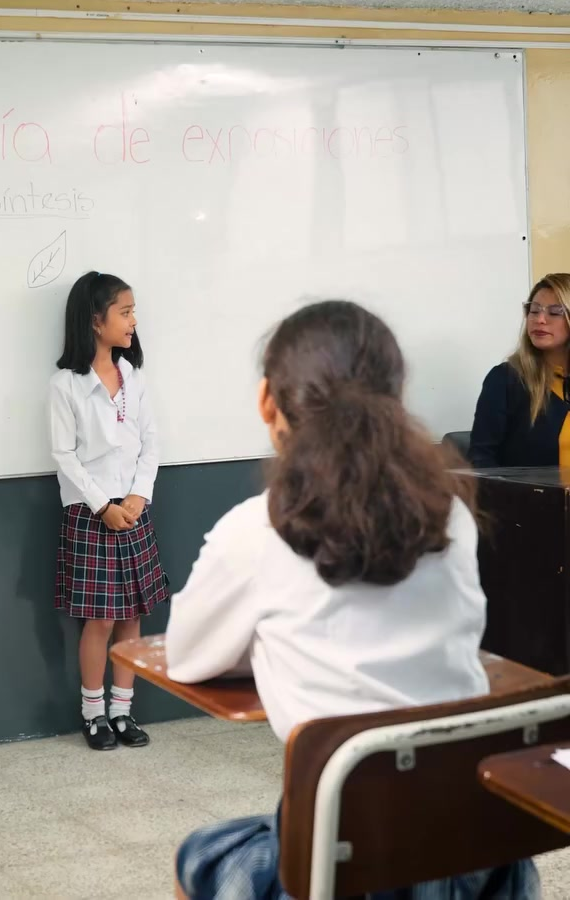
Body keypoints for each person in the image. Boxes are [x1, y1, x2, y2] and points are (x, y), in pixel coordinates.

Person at [165, 300, 538, 899]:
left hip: (344, 857)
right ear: (397, 396)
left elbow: (185, 659)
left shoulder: (255, 530)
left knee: (200, 858)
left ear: (268, 402)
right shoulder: (452, 516)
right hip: (482, 842)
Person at [49, 271, 168, 752]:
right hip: (92, 513)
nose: (133, 321)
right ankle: (93, 713)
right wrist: (105, 506)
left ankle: (123, 711)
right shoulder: (67, 385)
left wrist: (138, 496)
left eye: (133, 311)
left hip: (133, 510)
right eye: (125, 311)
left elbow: (151, 442)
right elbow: (64, 455)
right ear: (95, 321)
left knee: (132, 616)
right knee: (98, 619)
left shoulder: (133, 378)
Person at [469, 273, 570, 468]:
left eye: (554, 312)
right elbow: (481, 460)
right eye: (534, 310)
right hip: (532, 498)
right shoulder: (506, 380)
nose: (540, 319)